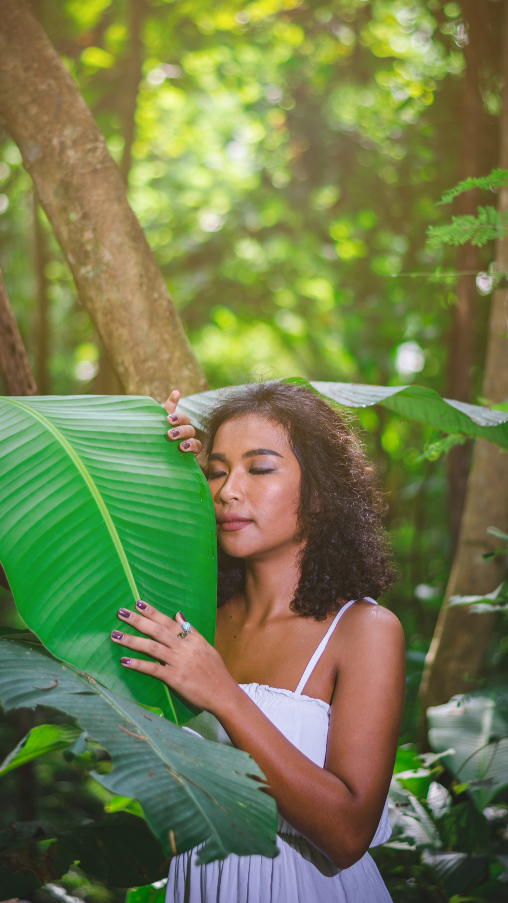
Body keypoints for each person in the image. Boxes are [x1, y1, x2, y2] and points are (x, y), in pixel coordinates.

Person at [110, 381, 405, 902]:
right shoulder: (191, 620)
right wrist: (135, 455)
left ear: (318, 492)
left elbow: (347, 835)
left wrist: (222, 694)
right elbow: (9, 565)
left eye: (260, 468)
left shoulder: (364, 630)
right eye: (216, 471)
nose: (228, 490)